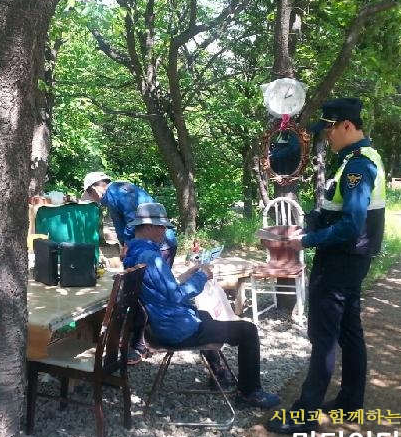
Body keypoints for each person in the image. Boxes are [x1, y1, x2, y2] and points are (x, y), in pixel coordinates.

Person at [266, 97, 386, 434]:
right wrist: (312, 222)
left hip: (339, 261)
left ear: (347, 125)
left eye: (329, 129)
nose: (326, 135)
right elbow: (336, 209)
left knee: (324, 337)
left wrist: (305, 241)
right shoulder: (358, 158)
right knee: (349, 332)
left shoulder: (358, 166)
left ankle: (305, 415)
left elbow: (351, 225)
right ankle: (349, 404)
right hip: (351, 260)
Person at [122, 202, 281, 409]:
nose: (165, 231)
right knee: (248, 330)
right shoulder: (151, 257)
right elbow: (177, 295)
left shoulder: (133, 253)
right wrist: (203, 276)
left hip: (160, 324)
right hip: (175, 330)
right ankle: (249, 393)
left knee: (204, 313)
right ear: (149, 226)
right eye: (161, 227)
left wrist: (188, 275)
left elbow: (161, 288)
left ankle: (219, 373)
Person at [83, 172, 179, 364]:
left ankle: (140, 345)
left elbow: (133, 220)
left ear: (95, 189)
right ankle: (148, 340)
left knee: (142, 294)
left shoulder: (116, 192)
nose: (94, 200)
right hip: (160, 243)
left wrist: (128, 245)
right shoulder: (120, 190)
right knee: (148, 293)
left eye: (90, 195)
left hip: (157, 244)